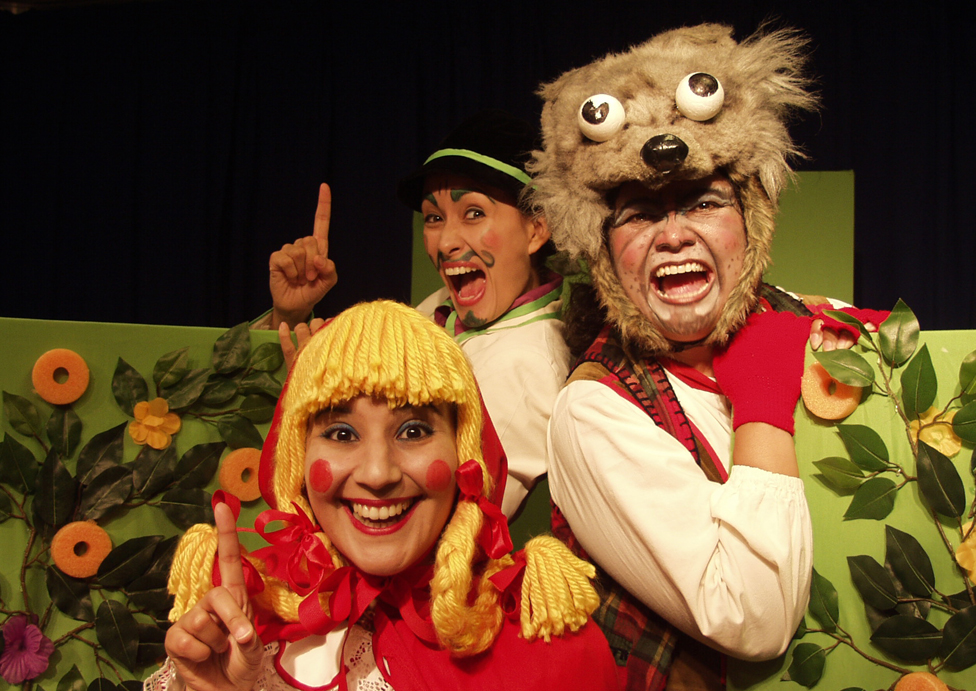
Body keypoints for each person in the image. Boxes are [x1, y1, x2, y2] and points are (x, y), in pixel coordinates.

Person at [527, 24, 886, 690]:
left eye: (704, 202)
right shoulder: (594, 410)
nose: (674, 235)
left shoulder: (797, 317)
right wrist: (762, 396)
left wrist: (875, 353)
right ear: (605, 250)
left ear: (751, 223)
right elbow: (753, 617)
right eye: (640, 214)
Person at [149, 300, 618, 691]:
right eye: (341, 433)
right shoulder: (249, 624)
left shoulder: (550, 645)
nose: (377, 474)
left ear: (465, 453)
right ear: (297, 459)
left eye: (413, 431)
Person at [263, 111, 570, 517]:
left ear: (536, 229)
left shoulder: (525, 365)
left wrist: (313, 410)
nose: (445, 243)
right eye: (434, 218)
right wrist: (292, 312)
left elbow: (460, 523)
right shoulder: (439, 311)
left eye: (474, 213)